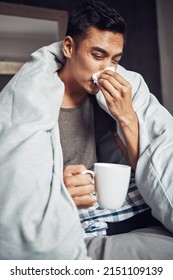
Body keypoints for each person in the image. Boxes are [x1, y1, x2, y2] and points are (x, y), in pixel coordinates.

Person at [0, 0, 173, 260]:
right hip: (65, 210)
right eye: (98, 55)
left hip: (110, 211)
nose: (107, 69)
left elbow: (149, 170)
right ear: (69, 47)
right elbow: (19, 180)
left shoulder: (108, 100)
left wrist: (126, 116)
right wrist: (55, 190)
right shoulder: (34, 100)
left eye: (115, 59)